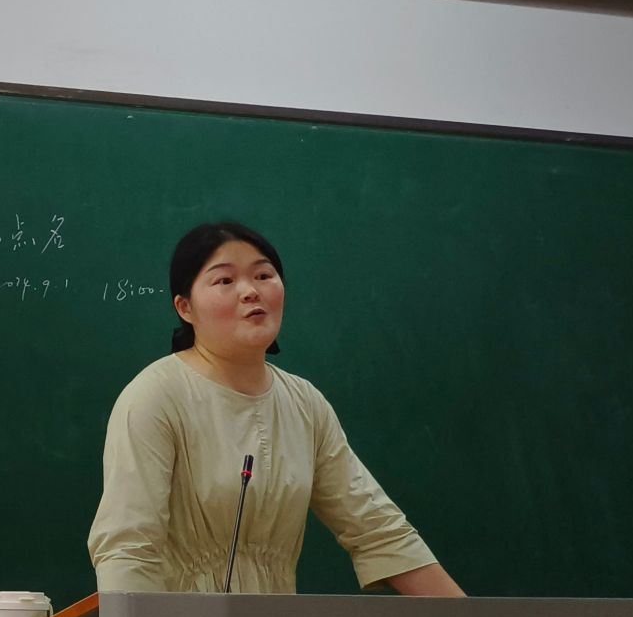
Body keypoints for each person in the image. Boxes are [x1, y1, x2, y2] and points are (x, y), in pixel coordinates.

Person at [86, 221, 464, 596]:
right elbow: (127, 549)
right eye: (224, 280)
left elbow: (378, 529)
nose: (251, 291)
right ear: (185, 307)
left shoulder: (304, 403)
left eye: (264, 275)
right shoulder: (155, 396)